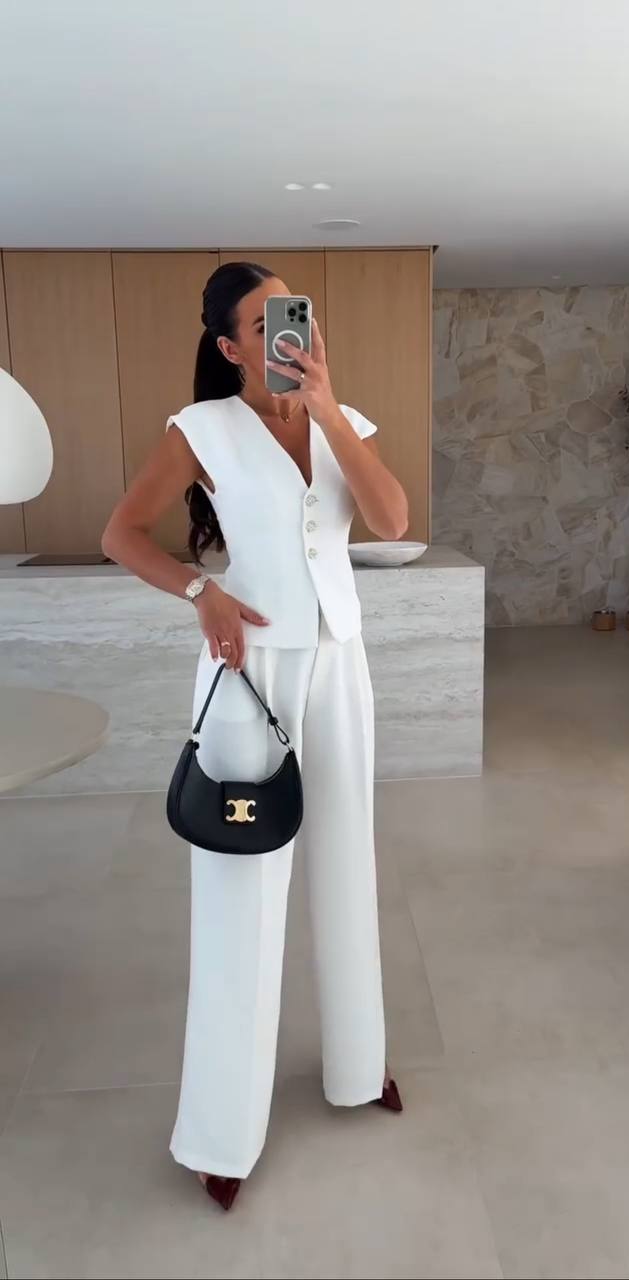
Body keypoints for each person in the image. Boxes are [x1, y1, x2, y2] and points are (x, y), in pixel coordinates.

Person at [102, 261, 409, 1212]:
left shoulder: (343, 420)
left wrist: (325, 410)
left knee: (348, 862)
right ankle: (219, 1132)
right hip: (248, 674)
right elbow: (123, 533)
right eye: (267, 320)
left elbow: (392, 519)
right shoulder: (202, 428)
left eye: (295, 312)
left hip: (339, 664)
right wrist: (202, 591)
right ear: (232, 346)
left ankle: (357, 1067)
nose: (290, 330)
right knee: (242, 890)